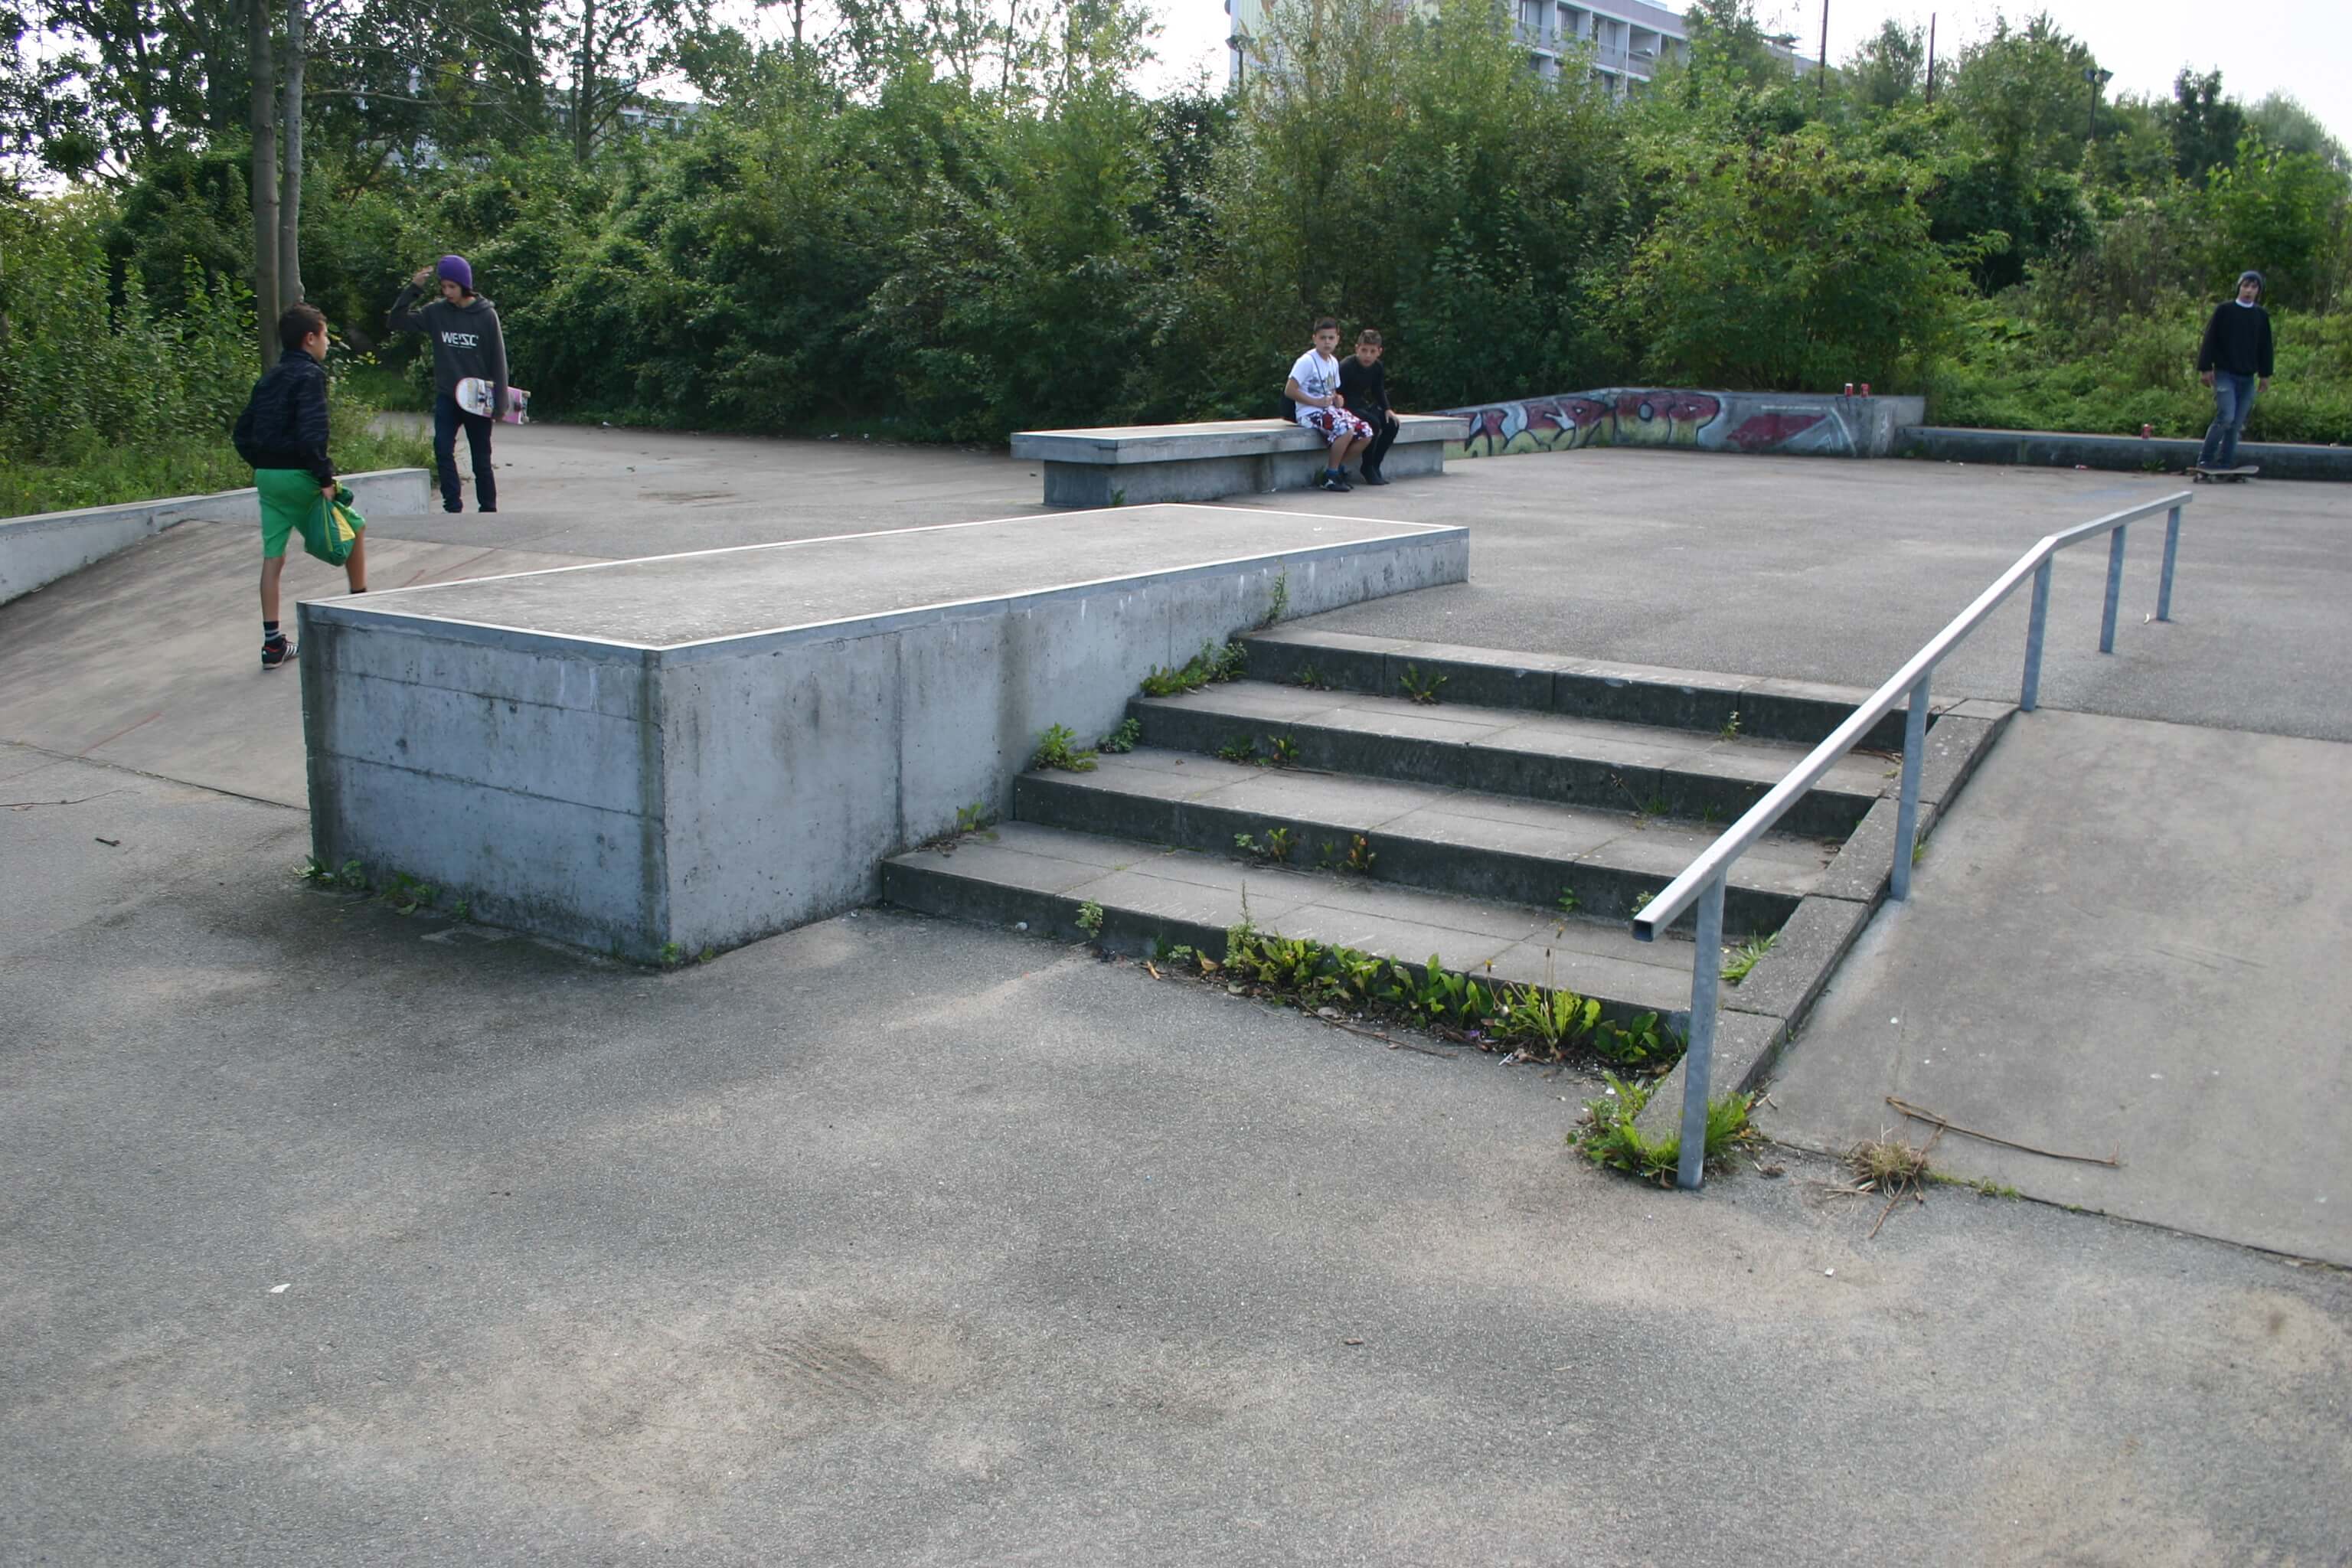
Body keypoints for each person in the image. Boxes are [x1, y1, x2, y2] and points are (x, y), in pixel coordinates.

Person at [233, 302, 367, 671]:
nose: (327, 343)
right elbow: (313, 434)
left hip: (267, 478)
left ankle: (273, 643)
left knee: (273, 556)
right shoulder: (310, 377)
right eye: (325, 336)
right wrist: (324, 478)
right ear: (310, 339)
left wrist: (264, 463)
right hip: (298, 476)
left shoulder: (269, 378)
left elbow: (242, 433)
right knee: (353, 526)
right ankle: (361, 605)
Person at [388, 253, 509, 514]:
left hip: (477, 397)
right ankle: (452, 506)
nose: (447, 292)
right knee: (442, 448)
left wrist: (501, 404)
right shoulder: (436, 312)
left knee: (481, 459)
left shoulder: (486, 315)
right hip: (448, 395)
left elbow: (498, 360)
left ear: (465, 285)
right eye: (443, 287)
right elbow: (396, 320)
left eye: (452, 287)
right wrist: (414, 289)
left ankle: (488, 508)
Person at [2196, 270, 2273, 472]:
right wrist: (2205, 368)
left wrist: (2265, 375)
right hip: (2225, 374)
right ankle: (2205, 459)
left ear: (2258, 291)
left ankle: (2225, 462)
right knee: (2226, 417)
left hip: (2247, 377)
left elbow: (2266, 347)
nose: (2249, 291)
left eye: (2253, 287)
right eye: (2246, 286)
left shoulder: (2260, 316)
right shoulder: (2225, 310)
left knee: (2237, 424)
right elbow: (2210, 339)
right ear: (2239, 287)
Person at [1285, 317, 1373, 492]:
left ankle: (1337, 468)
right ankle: (1331, 476)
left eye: (1331, 338)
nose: (1327, 342)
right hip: (1309, 412)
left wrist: (1337, 399)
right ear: (1315, 338)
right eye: (1323, 338)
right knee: (1345, 429)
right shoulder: (1307, 361)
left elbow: (1332, 391)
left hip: (1328, 409)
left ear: (1337, 339)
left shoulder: (1333, 361)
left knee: (1365, 431)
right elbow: (1290, 390)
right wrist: (1315, 402)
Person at [1338, 328, 1400, 486]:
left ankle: (1375, 465)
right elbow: (1335, 390)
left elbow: (1378, 389)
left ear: (1379, 352)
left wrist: (1387, 409)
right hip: (1345, 407)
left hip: (1360, 405)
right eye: (1364, 350)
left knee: (1391, 424)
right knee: (1373, 423)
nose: (1368, 355)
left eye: (1372, 351)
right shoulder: (1346, 366)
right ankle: (1367, 466)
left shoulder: (1377, 367)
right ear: (1357, 348)